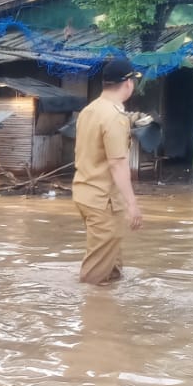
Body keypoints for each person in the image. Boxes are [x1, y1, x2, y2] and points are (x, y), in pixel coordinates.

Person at [72, 56, 145, 285]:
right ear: (129, 84)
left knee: (112, 267)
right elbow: (117, 163)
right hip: (103, 200)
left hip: (85, 193)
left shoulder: (90, 110)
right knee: (93, 277)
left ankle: (108, 311)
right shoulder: (115, 117)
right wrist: (132, 203)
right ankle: (89, 312)